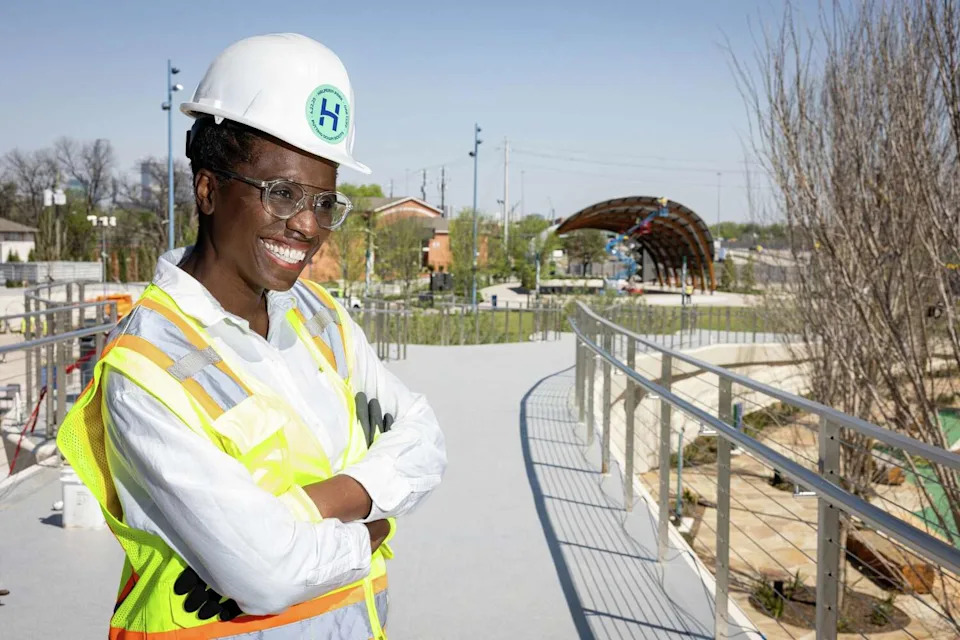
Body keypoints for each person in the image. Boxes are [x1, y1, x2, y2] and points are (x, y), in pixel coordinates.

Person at [57, 33, 446, 639]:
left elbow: (425, 441)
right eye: (282, 193)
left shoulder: (320, 318)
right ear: (208, 188)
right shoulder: (147, 370)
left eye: (324, 201)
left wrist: (326, 502)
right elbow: (267, 574)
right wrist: (373, 526)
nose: (308, 226)